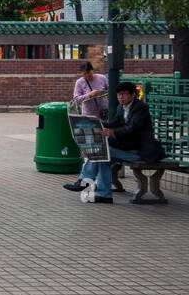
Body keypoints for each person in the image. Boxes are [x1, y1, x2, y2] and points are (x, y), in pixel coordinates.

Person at [77, 82, 164, 204]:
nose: (121, 97)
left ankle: (85, 180)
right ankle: (104, 194)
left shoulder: (140, 108)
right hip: (127, 148)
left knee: (102, 151)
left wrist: (112, 133)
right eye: (119, 94)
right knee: (103, 157)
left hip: (141, 150)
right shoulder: (120, 107)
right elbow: (114, 123)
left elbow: (132, 128)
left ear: (133, 95)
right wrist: (97, 123)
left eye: (124, 94)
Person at [63, 61, 110, 191]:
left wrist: (101, 93)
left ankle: (86, 180)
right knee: (90, 147)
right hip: (88, 117)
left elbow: (110, 91)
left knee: (100, 148)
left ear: (92, 70)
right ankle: (86, 179)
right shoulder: (80, 83)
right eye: (84, 74)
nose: (87, 76)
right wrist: (89, 95)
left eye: (88, 73)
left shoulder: (102, 78)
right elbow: (76, 99)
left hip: (103, 115)